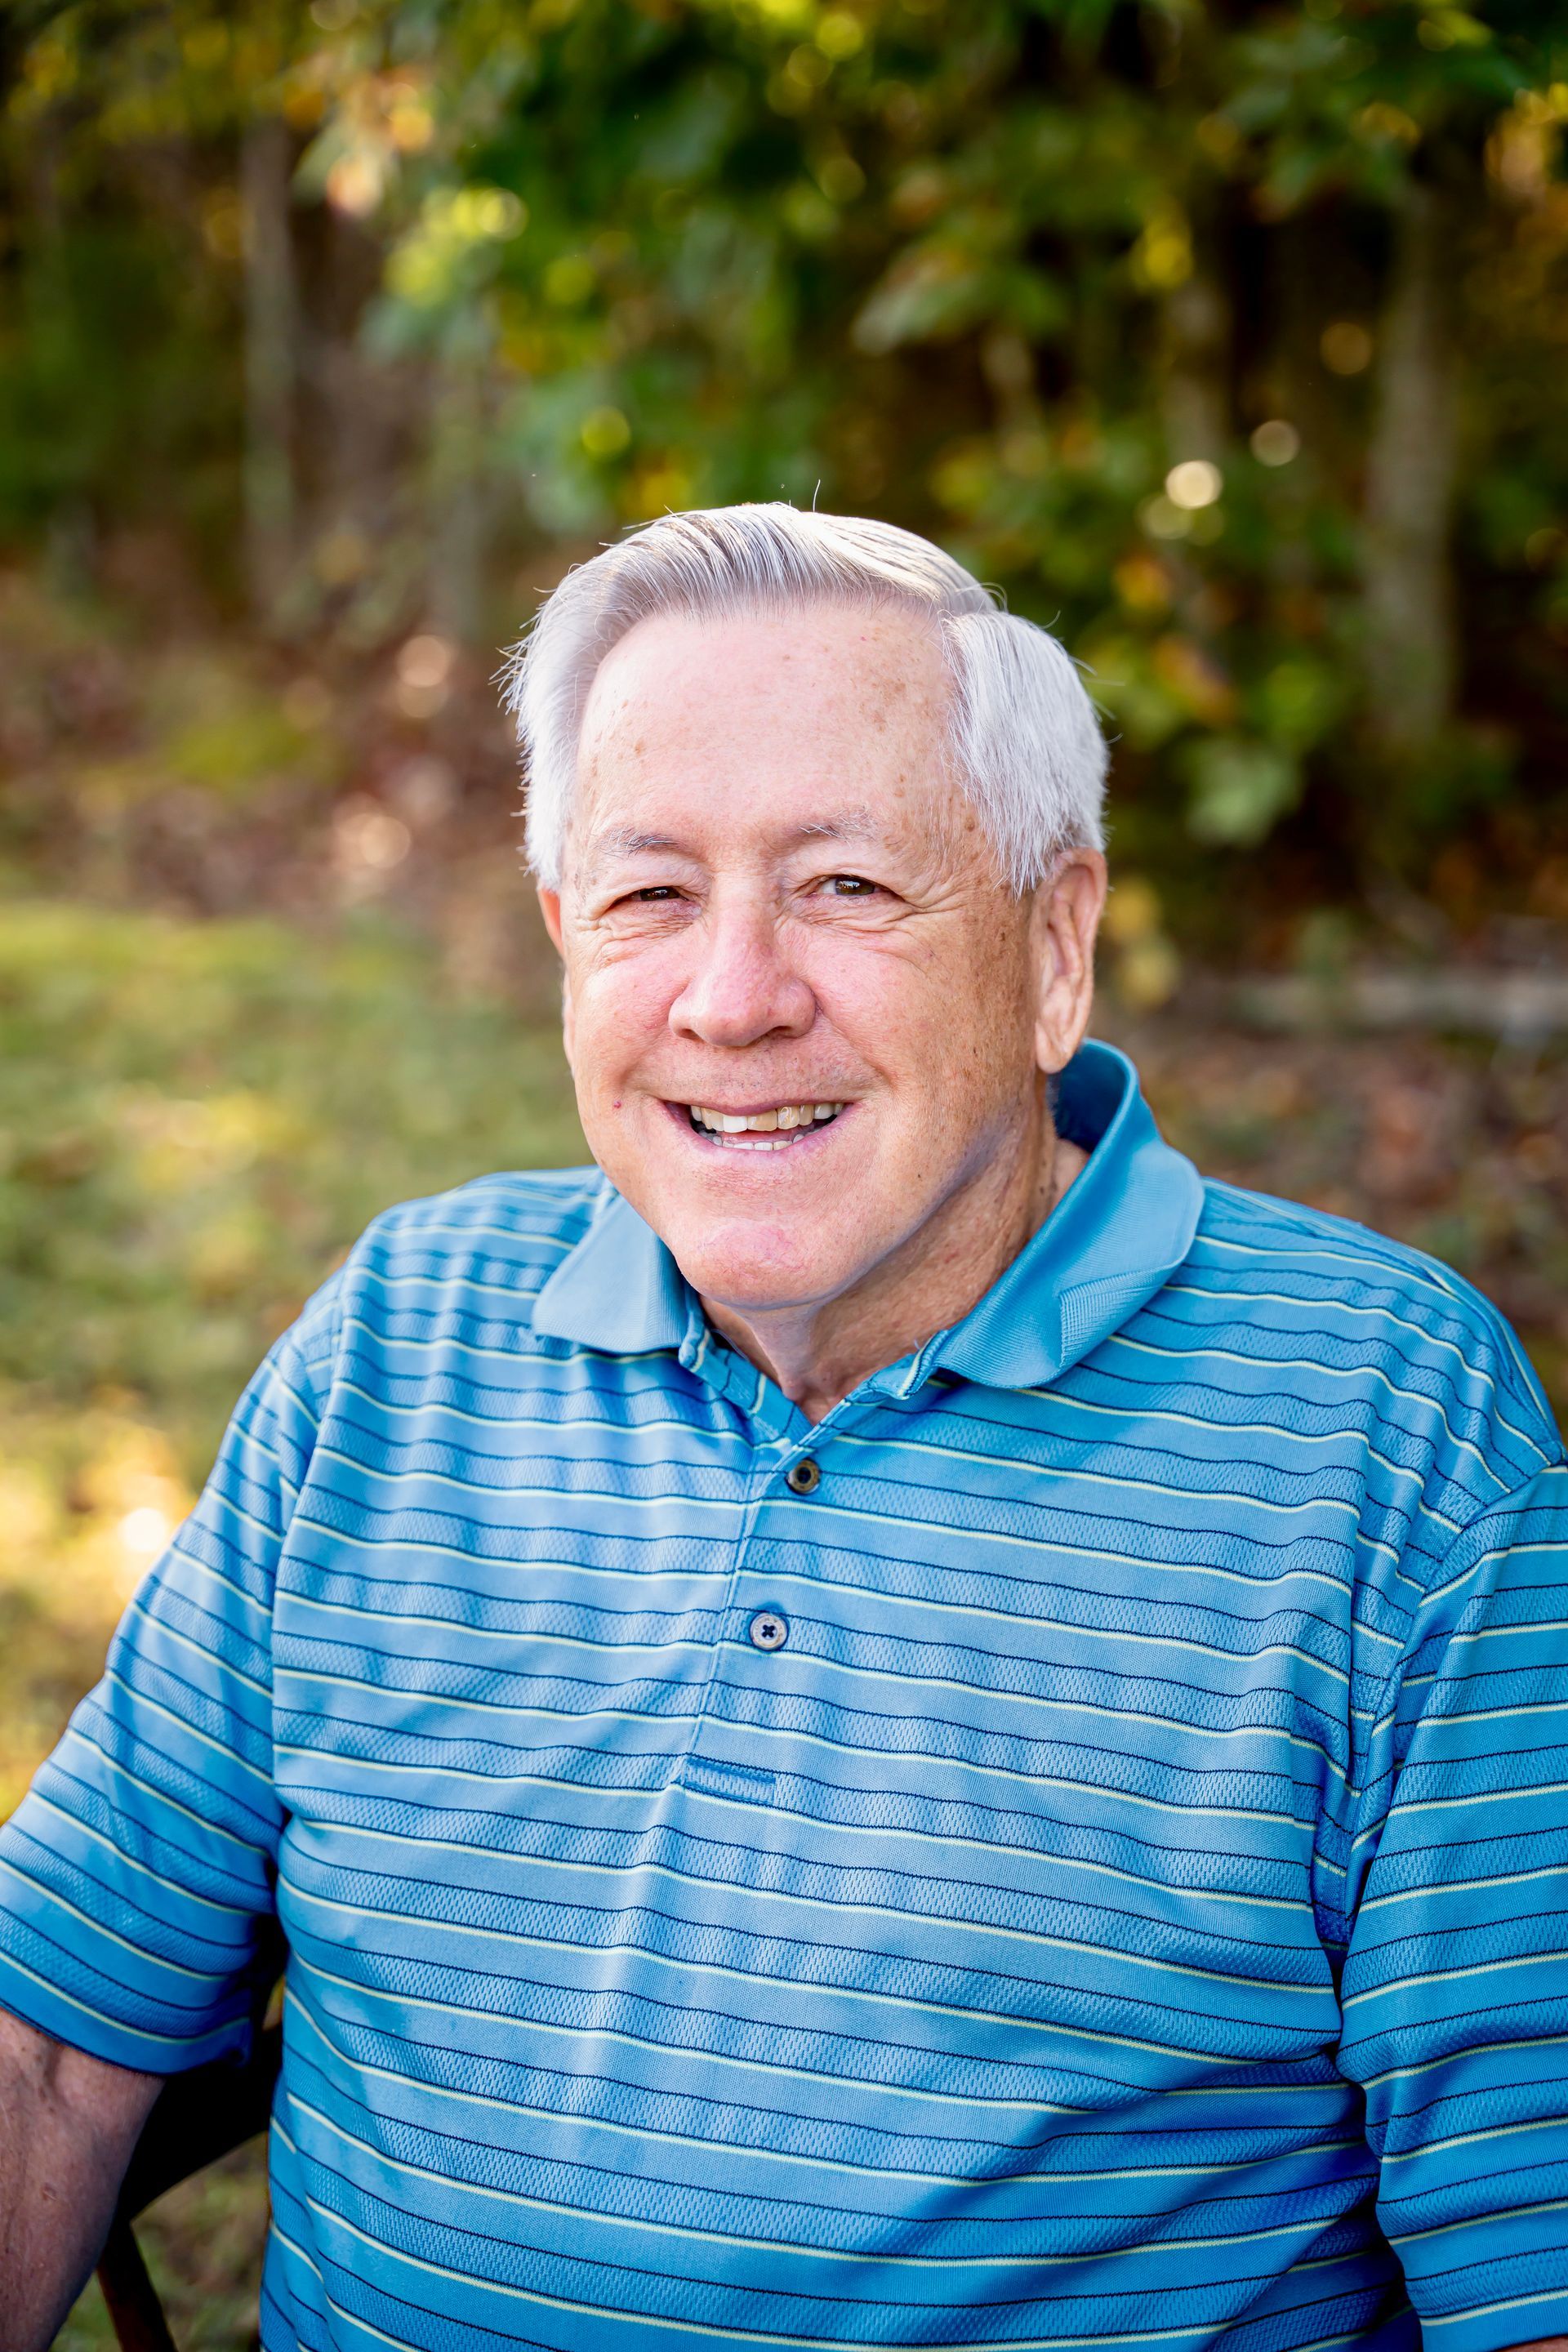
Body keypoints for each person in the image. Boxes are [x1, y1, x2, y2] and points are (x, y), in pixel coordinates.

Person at [2, 505, 1566, 2352]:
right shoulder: (402, 1345)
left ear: (1056, 946)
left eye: (846, 886)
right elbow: (53, 2045)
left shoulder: (1385, 1428)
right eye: (650, 896)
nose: (733, 1002)